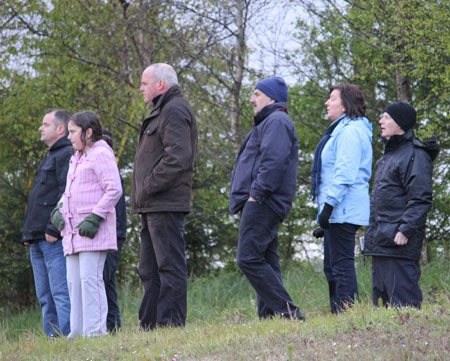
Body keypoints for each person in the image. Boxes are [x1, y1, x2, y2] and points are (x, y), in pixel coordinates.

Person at [230, 76, 304, 320]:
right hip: (262, 201)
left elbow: (273, 161)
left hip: (264, 201)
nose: (252, 99)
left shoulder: (277, 121)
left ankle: (288, 312)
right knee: (266, 261)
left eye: (257, 94)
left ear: (271, 98)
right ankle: (270, 318)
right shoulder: (269, 122)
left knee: (248, 258)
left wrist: (256, 195)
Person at [130, 63, 198, 330]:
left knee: (169, 267)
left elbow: (178, 158)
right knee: (149, 270)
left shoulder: (174, 109)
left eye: (145, 83)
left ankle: (170, 324)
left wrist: (147, 185)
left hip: (164, 203)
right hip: (152, 205)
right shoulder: (162, 111)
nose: (141, 88)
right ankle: (149, 326)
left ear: (160, 84)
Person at [51, 111, 122, 337]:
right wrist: (58, 208)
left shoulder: (101, 153)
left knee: (90, 280)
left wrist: (96, 216)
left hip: (92, 232)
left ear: (88, 132)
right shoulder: (77, 156)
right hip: (72, 233)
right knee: (74, 282)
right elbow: (70, 192)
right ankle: (78, 332)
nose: (69, 137)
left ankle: (96, 333)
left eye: (72, 132)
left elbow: (114, 189)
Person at [364, 102, 439, 308]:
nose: (381, 121)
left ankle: (410, 339)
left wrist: (405, 229)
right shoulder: (387, 157)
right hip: (381, 241)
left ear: (400, 123)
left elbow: (421, 198)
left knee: (404, 305)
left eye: (386, 117)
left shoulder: (416, 155)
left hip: (400, 242)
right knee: (381, 306)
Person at [311, 83, 372, 314]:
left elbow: (345, 174)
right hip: (339, 209)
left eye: (332, 99)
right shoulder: (341, 130)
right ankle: (340, 314)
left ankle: (348, 316)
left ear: (346, 105)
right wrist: (325, 216)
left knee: (341, 266)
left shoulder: (350, 132)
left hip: (343, 209)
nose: (327, 102)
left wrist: (328, 207)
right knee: (332, 266)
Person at [21, 109, 72, 337]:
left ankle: (69, 338)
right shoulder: (50, 155)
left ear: (60, 129)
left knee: (60, 291)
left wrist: (54, 228)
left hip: (52, 239)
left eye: (45, 124)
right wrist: (28, 234)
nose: (41, 128)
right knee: (44, 295)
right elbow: (38, 199)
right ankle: (53, 338)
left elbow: (66, 195)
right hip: (37, 238)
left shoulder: (66, 154)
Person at [102, 129, 127, 333]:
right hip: (112, 235)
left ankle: (111, 326)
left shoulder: (110, 174)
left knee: (103, 281)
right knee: (106, 283)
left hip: (112, 236)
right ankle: (113, 327)